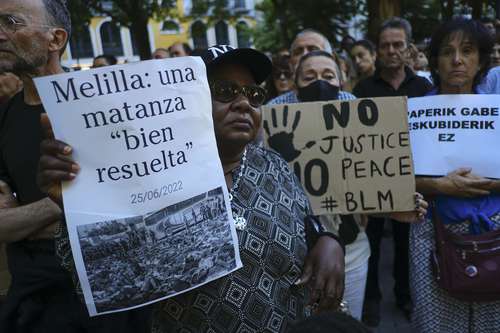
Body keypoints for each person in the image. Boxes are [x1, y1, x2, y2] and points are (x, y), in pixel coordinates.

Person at [37, 44, 350, 332]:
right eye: (225, 91)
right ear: (183, 101)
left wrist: (327, 239)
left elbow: (309, 223)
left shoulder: (273, 164)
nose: (244, 103)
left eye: (254, 94)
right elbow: (103, 276)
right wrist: (78, 204)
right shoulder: (146, 177)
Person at [0, 0, 150, 332]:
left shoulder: (104, 110)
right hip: (33, 307)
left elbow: (139, 201)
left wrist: (31, 214)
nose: (0, 34)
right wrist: (76, 200)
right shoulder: (5, 117)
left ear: (55, 39)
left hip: (109, 305)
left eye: (10, 22)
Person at [412, 18, 500, 333]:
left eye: (467, 50)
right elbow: (393, 177)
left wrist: (491, 183)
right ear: (435, 61)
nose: (457, 60)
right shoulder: (414, 112)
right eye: (447, 52)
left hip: (494, 231)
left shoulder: (498, 110)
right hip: (432, 236)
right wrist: (439, 185)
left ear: (482, 60)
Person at [352, 17, 432, 326]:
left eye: (397, 44)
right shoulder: (363, 89)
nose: (391, 50)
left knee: (406, 243)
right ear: (378, 50)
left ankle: (404, 296)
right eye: (385, 45)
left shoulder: (425, 89)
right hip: (372, 180)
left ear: (408, 48)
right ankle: (371, 301)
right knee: (370, 244)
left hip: (414, 181)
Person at [268, 29, 355, 105]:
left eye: (313, 50)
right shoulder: (274, 107)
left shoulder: (351, 103)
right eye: (298, 52)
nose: (305, 55)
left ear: (332, 59)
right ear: (290, 64)